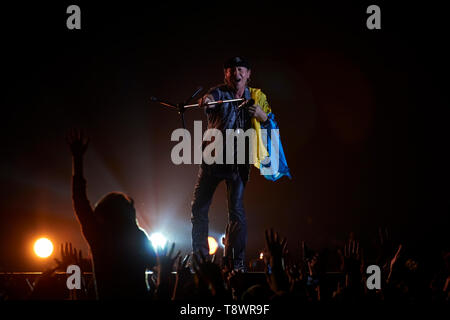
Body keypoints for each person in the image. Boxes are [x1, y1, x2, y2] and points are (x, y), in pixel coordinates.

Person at [191, 56, 275, 271]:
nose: (234, 73)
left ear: (247, 74)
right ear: (225, 75)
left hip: (237, 165)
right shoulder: (220, 92)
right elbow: (211, 97)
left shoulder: (257, 97)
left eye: (239, 69)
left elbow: (270, 122)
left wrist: (262, 116)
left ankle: (236, 263)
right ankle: (200, 261)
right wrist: (207, 100)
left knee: (236, 212)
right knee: (199, 208)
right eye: (230, 70)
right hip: (212, 162)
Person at [66, 129, 156, 299]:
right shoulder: (138, 236)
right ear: (129, 213)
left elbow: (80, 201)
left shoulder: (99, 237)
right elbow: (153, 262)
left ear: (102, 213)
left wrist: (77, 160)